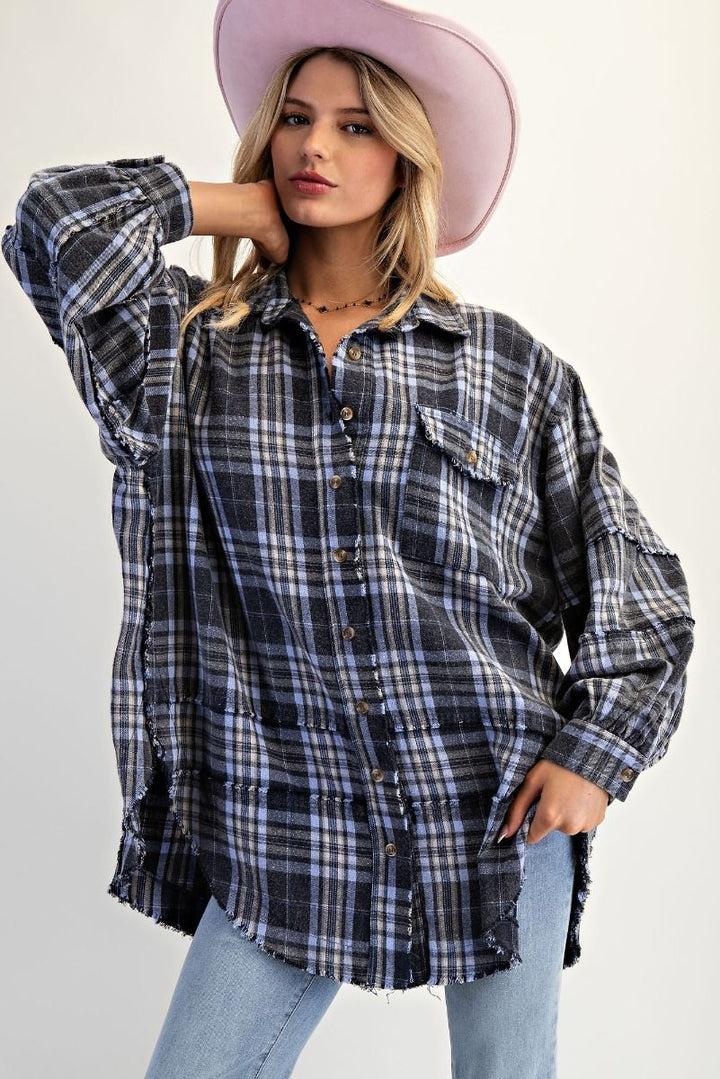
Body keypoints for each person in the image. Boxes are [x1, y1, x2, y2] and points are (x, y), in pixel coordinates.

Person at [1, 1, 695, 1077]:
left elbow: (637, 586)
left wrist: (590, 757)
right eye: (295, 118)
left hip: (498, 798)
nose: (316, 146)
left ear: (409, 154)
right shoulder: (182, 355)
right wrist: (222, 202)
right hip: (286, 817)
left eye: (357, 125)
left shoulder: (508, 369)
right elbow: (53, 221)